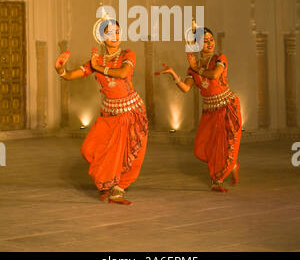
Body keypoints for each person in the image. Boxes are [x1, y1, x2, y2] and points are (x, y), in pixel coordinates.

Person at [55, 17, 148, 205]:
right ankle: (108, 183)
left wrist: (98, 67)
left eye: (118, 31)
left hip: (131, 112)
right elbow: (73, 75)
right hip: (109, 113)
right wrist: (61, 70)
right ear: (101, 36)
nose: (115, 35)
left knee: (130, 154)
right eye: (110, 32)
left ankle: (117, 190)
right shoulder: (96, 61)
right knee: (90, 150)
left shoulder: (128, 54)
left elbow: (122, 73)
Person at [155, 27, 241, 192]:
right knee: (201, 149)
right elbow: (186, 88)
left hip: (227, 106)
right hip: (210, 110)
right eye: (205, 40)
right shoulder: (192, 69)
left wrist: (196, 68)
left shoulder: (219, 58)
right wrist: (174, 75)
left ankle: (217, 180)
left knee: (226, 143)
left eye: (211, 39)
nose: (210, 43)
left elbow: (214, 75)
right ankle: (231, 165)